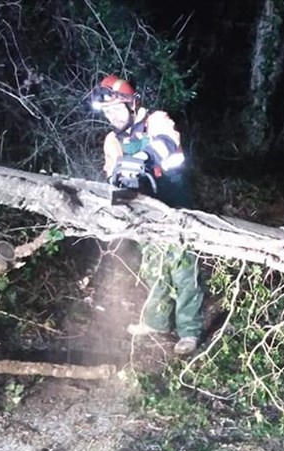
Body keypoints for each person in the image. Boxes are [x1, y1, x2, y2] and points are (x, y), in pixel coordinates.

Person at [90, 74, 204, 355]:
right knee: (153, 267)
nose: (113, 116)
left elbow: (167, 142)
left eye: (117, 109)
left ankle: (189, 331)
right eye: (107, 112)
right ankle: (157, 321)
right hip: (145, 211)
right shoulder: (112, 141)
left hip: (175, 205)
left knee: (183, 270)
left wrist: (143, 157)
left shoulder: (156, 120)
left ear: (131, 105)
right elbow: (112, 175)